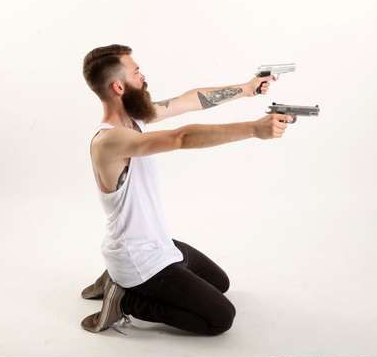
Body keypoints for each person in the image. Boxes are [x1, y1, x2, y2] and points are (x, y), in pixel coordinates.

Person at [80, 44, 291, 336]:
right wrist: (253, 129)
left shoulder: (135, 118)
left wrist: (246, 88)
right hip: (139, 258)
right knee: (219, 318)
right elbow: (182, 138)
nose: (143, 77)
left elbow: (189, 100)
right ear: (118, 86)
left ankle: (114, 278)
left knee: (220, 284)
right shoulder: (109, 141)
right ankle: (126, 300)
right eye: (136, 71)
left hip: (157, 244)